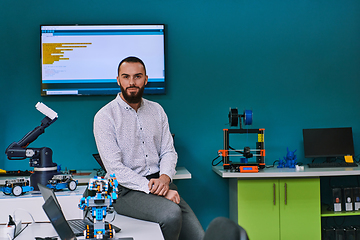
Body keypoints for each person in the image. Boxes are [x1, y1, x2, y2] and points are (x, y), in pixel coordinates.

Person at [93, 56, 204, 240]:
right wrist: (157, 189)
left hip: (159, 183)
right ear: (118, 80)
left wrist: (164, 178)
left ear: (146, 79)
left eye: (137, 76)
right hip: (125, 191)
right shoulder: (105, 116)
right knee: (170, 214)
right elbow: (115, 170)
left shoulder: (157, 110)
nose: (132, 82)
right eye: (126, 77)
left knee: (199, 237)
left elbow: (168, 151)